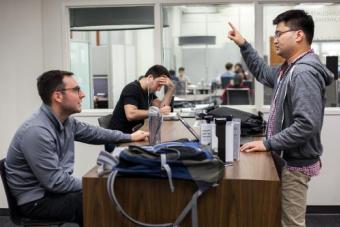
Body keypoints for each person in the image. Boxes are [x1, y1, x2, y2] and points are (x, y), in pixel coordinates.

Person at [229, 10, 334, 227]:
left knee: (291, 223)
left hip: (294, 164)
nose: (275, 39)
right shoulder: (288, 70)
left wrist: (267, 144)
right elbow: (262, 72)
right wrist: (243, 44)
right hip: (286, 159)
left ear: (298, 35)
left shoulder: (303, 73)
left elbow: (307, 125)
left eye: (279, 33)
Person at [5, 70, 149, 226]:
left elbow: (95, 133)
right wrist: (94, 183)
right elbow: (55, 183)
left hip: (51, 192)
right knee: (100, 199)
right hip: (37, 201)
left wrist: (129, 137)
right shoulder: (37, 131)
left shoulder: (66, 122)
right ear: (58, 96)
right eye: (76, 90)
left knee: (105, 194)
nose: (83, 95)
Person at [109, 65, 175, 134]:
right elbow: (131, 114)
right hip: (118, 138)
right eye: (158, 85)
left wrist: (171, 88)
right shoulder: (132, 88)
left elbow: (162, 107)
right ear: (150, 78)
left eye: (161, 86)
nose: (158, 89)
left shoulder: (149, 92)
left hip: (133, 133)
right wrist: (157, 112)